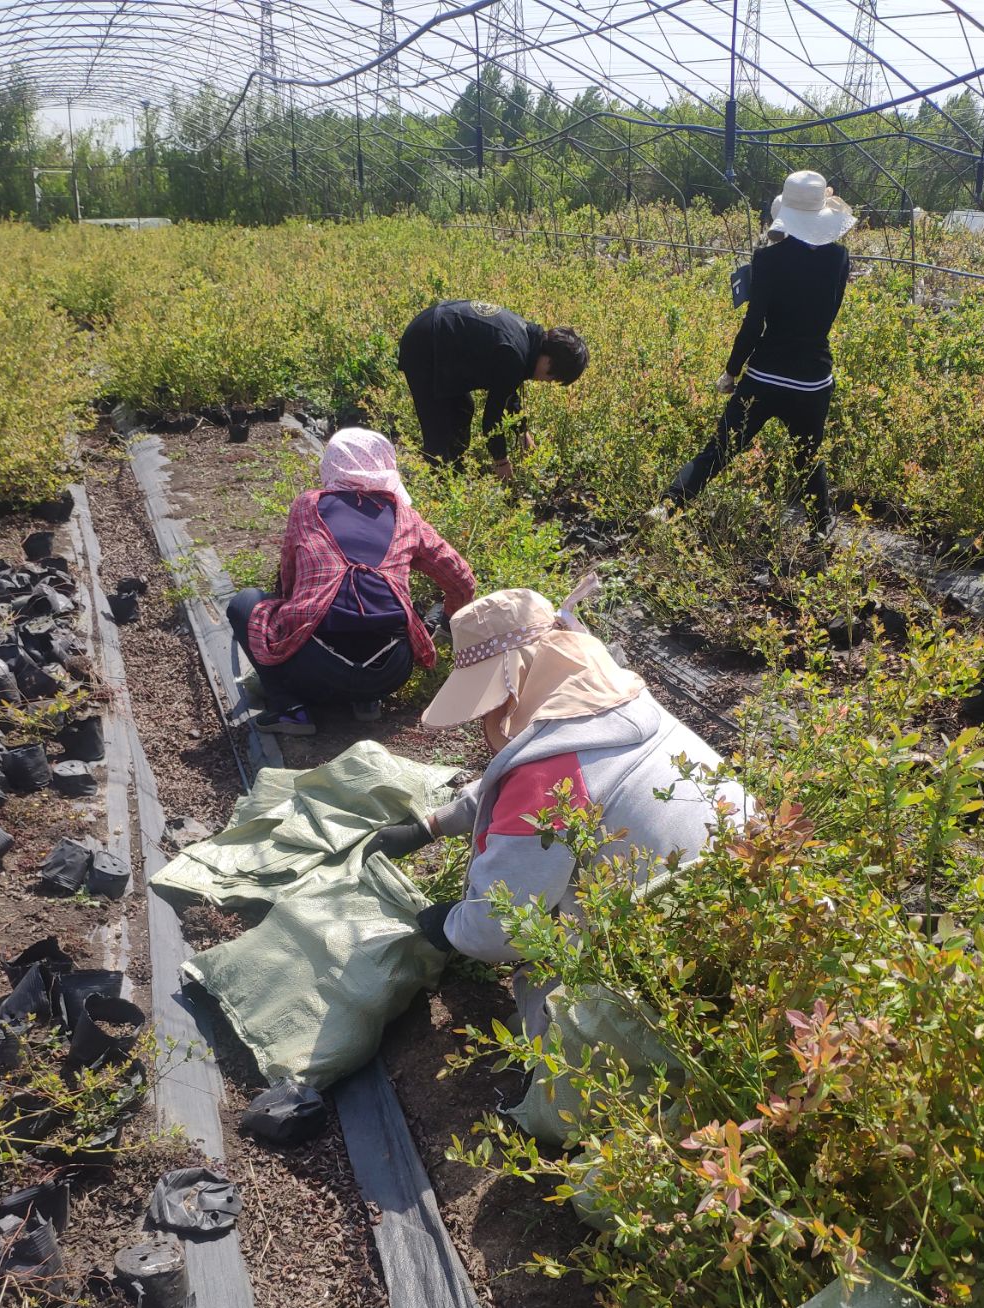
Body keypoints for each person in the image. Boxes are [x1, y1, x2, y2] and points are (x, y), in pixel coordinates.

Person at [365, 585, 749, 985]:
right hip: (763, 899)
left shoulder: (550, 774)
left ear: (511, 681)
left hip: (681, 960)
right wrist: (431, 826)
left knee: (548, 1002)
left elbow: (499, 930)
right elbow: (556, 772)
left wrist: (453, 924)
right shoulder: (619, 705)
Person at [226, 428, 475, 737]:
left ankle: (289, 708)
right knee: (405, 607)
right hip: (391, 671)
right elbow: (462, 580)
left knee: (245, 602)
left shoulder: (308, 506)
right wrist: (448, 621)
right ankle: (367, 700)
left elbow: (289, 581)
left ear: (331, 465)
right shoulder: (405, 517)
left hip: (313, 667)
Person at [660, 171, 856, 534]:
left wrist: (732, 371)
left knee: (719, 450)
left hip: (766, 376)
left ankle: (667, 510)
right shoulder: (839, 258)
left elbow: (754, 324)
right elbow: (828, 310)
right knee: (809, 458)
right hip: (814, 379)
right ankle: (820, 531)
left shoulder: (768, 260)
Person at [397, 299, 589, 480]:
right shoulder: (514, 354)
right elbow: (492, 419)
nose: (547, 381)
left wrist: (523, 434)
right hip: (425, 344)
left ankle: (454, 469)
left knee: (462, 410)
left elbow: (508, 394)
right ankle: (435, 484)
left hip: (441, 338)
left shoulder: (527, 341)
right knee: (439, 429)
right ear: (549, 359)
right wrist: (501, 462)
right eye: (552, 376)